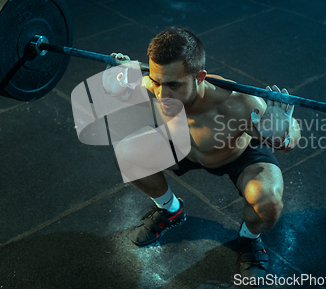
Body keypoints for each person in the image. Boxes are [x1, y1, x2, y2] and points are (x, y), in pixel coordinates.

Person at [105, 27, 301, 280]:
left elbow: (290, 138)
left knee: (268, 203)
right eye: (156, 81)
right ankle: (170, 209)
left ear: (200, 77)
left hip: (234, 155)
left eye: (174, 84)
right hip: (181, 146)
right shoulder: (154, 83)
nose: (163, 93)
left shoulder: (239, 102)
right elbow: (122, 87)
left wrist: (283, 134)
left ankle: (249, 238)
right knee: (126, 153)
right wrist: (116, 79)